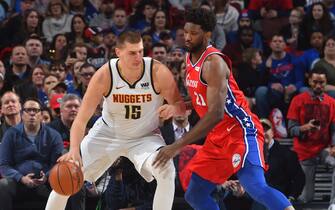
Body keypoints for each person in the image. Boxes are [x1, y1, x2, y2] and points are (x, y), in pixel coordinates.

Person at [153, 9, 294, 210]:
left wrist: (176, 146)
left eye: (193, 33)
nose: (187, 37)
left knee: (254, 186)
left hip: (239, 129)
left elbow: (216, 114)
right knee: (195, 194)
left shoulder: (214, 63)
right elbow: (199, 98)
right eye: (185, 32)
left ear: (207, 34)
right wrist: (176, 107)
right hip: (218, 137)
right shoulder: (189, 58)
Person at [45, 30, 185, 210]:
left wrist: (174, 108)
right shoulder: (105, 75)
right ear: (118, 52)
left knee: (166, 170)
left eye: (141, 51)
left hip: (144, 137)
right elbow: (80, 120)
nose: (138, 57)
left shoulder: (158, 72)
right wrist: (73, 150)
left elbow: (180, 105)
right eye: (132, 53)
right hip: (108, 133)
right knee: (66, 175)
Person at [0, 98, 63, 210]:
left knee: (64, 183)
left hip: (46, 183)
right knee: (3, 185)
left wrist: (47, 176)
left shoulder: (54, 136)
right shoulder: (10, 135)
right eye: (28, 110)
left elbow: (57, 164)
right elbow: (4, 165)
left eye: (35, 110)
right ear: (22, 114)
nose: (32, 113)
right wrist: (21, 178)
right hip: (18, 183)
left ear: (41, 114)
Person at [286, 67, 335, 205]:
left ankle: (334, 204)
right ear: (309, 81)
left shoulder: (332, 102)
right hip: (304, 151)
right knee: (306, 197)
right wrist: (305, 127)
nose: (318, 85)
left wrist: (334, 145)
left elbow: (334, 129)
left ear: (326, 83)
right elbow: (291, 130)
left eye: (322, 82)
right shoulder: (298, 100)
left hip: (324, 149)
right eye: (315, 82)